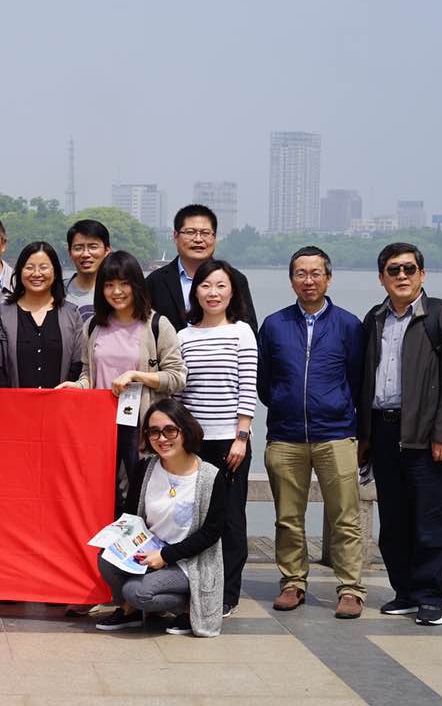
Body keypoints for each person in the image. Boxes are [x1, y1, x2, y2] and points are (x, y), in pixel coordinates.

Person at [358, 242, 442, 627]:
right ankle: (404, 592)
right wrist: (365, 436)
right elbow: (364, 380)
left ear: (423, 274)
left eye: (409, 269)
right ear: (381, 278)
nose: (402, 276)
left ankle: (430, 597)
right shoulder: (374, 318)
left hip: (426, 435)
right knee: (393, 521)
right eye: (393, 270)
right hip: (384, 431)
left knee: (429, 520)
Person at [257, 246, 367, 618]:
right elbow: (264, 381)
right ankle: (292, 582)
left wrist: (340, 410)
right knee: (288, 517)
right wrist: (283, 401)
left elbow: (358, 380)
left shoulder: (348, 324)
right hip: (286, 435)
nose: (308, 280)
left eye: (316, 273)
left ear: (328, 278)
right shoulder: (274, 324)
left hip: (335, 433)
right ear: (291, 280)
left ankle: (350, 588)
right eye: (301, 274)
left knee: (345, 517)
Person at [57, 251, 186, 518]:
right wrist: (78, 386)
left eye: (124, 283)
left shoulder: (157, 325)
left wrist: (137, 376)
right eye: (109, 284)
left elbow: (177, 377)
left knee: (142, 495)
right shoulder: (93, 326)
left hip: (140, 425)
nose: (117, 292)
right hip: (101, 426)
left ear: (137, 284)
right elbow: (88, 373)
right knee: (102, 495)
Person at [95, 398, 225, 638]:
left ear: (185, 430)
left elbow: (211, 533)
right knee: (106, 558)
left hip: (187, 562)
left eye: (170, 430)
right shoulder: (145, 468)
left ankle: (188, 605)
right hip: (149, 551)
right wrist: (118, 538)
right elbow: (132, 515)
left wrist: (166, 556)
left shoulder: (210, 476)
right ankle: (132, 611)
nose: (162, 438)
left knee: (136, 591)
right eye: (154, 432)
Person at [175, 259, 258, 619]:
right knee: (193, 517)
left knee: (230, 517)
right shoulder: (183, 336)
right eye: (206, 285)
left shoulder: (242, 332)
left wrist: (242, 436)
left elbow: (247, 387)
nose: (213, 293)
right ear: (196, 292)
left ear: (232, 292)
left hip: (229, 441)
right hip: (193, 443)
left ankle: (228, 593)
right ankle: (193, 586)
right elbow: (180, 393)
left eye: (221, 286)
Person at [144, 204, 257, 334]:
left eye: (205, 233)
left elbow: (250, 330)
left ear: (214, 237)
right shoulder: (155, 282)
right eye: (190, 232)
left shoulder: (235, 279)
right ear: (175, 236)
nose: (198, 239)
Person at [0, 241, 84, 389]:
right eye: (29, 267)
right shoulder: (3, 314)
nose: (36, 274)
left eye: (43, 267)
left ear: (55, 272)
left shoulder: (71, 314)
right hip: (14, 402)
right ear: (20, 271)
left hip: (61, 400)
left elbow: (78, 365)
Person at [65, 219, 112, 323]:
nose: (85, 254)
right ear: (70, 253)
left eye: (93, 247)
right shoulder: (57, 291)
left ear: (107, 251)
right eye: (78, 248)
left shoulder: (119, 292)